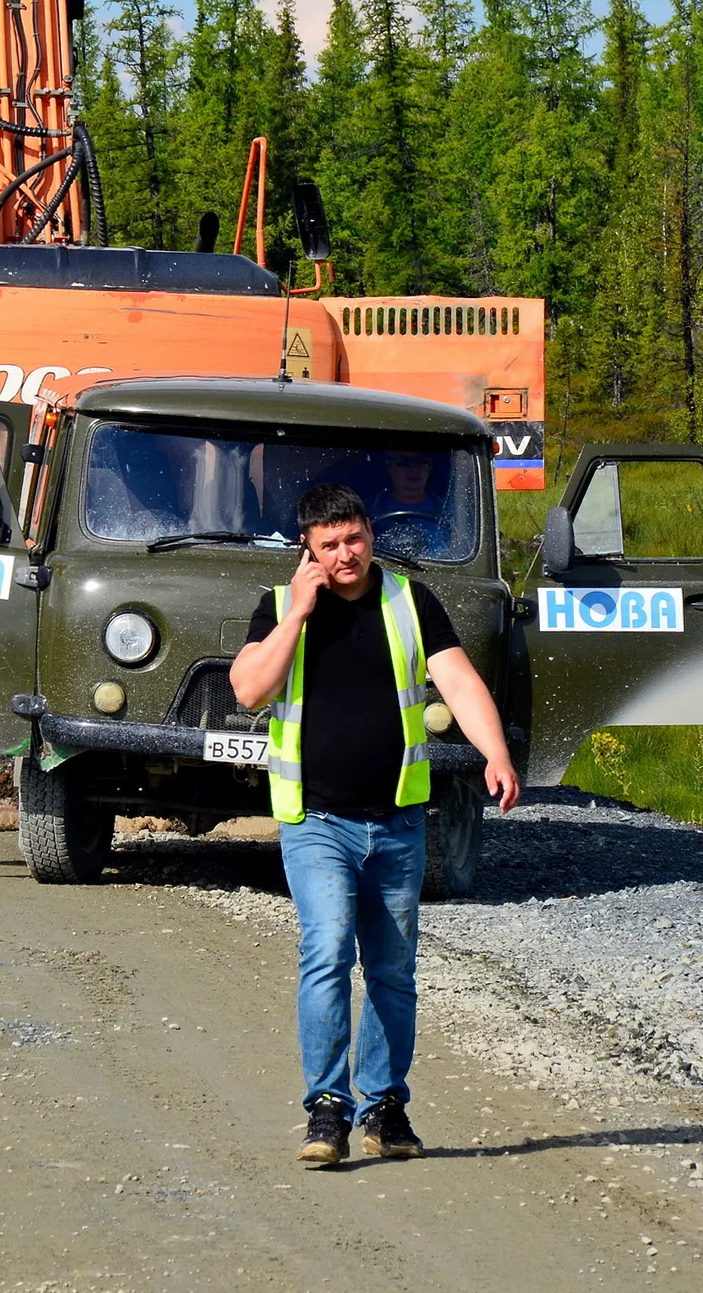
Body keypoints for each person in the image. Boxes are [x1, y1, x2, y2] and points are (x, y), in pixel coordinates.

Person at [230, 482, 520, 1168]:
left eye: (354, 538)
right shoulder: (277, 607)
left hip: (396, 825)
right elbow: (249, 688)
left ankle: (384, 1108)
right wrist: (298, 613)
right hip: (317, 823)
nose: (345, 554)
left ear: (369, 533)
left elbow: (458, 681)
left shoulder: (410, 601)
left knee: (392, 971)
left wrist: (496, 752)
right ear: (308, 548)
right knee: (327, 950)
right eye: (329, 545)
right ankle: (326, 1109)